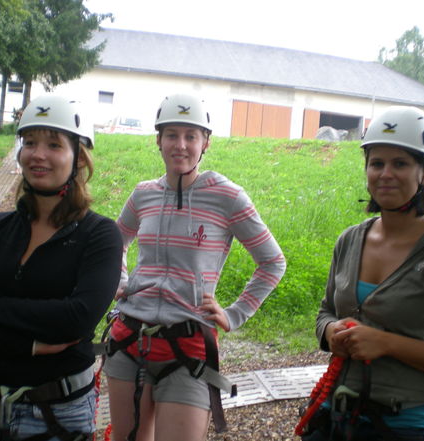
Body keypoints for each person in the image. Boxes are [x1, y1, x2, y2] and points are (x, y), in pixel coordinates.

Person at [0, 94, 123, 441]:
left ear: (78, 158)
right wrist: (31, 346)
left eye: (54, 144)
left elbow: (77, 319)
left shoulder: (99, 235)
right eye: (30, 142)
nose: (38, 154)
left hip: (58, 412)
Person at [103, 93, 287, 441]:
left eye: (191, 135)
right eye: (171, 134)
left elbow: (272, 262)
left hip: (188, 347)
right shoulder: (143, 194)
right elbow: (117, 241)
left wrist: (234, 314)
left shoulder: (227, 196)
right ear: (158, 140)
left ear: (206, 142)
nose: (181, 145)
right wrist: (121, 281)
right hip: (130, 339)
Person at [304, 106, 424, 441]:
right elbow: (325, 311)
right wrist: (330, 332)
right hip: (335, 417)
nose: (385, 174)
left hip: (404, 424)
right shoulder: (350, 240)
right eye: (377, 163)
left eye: (400, 163)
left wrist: (386, 343)